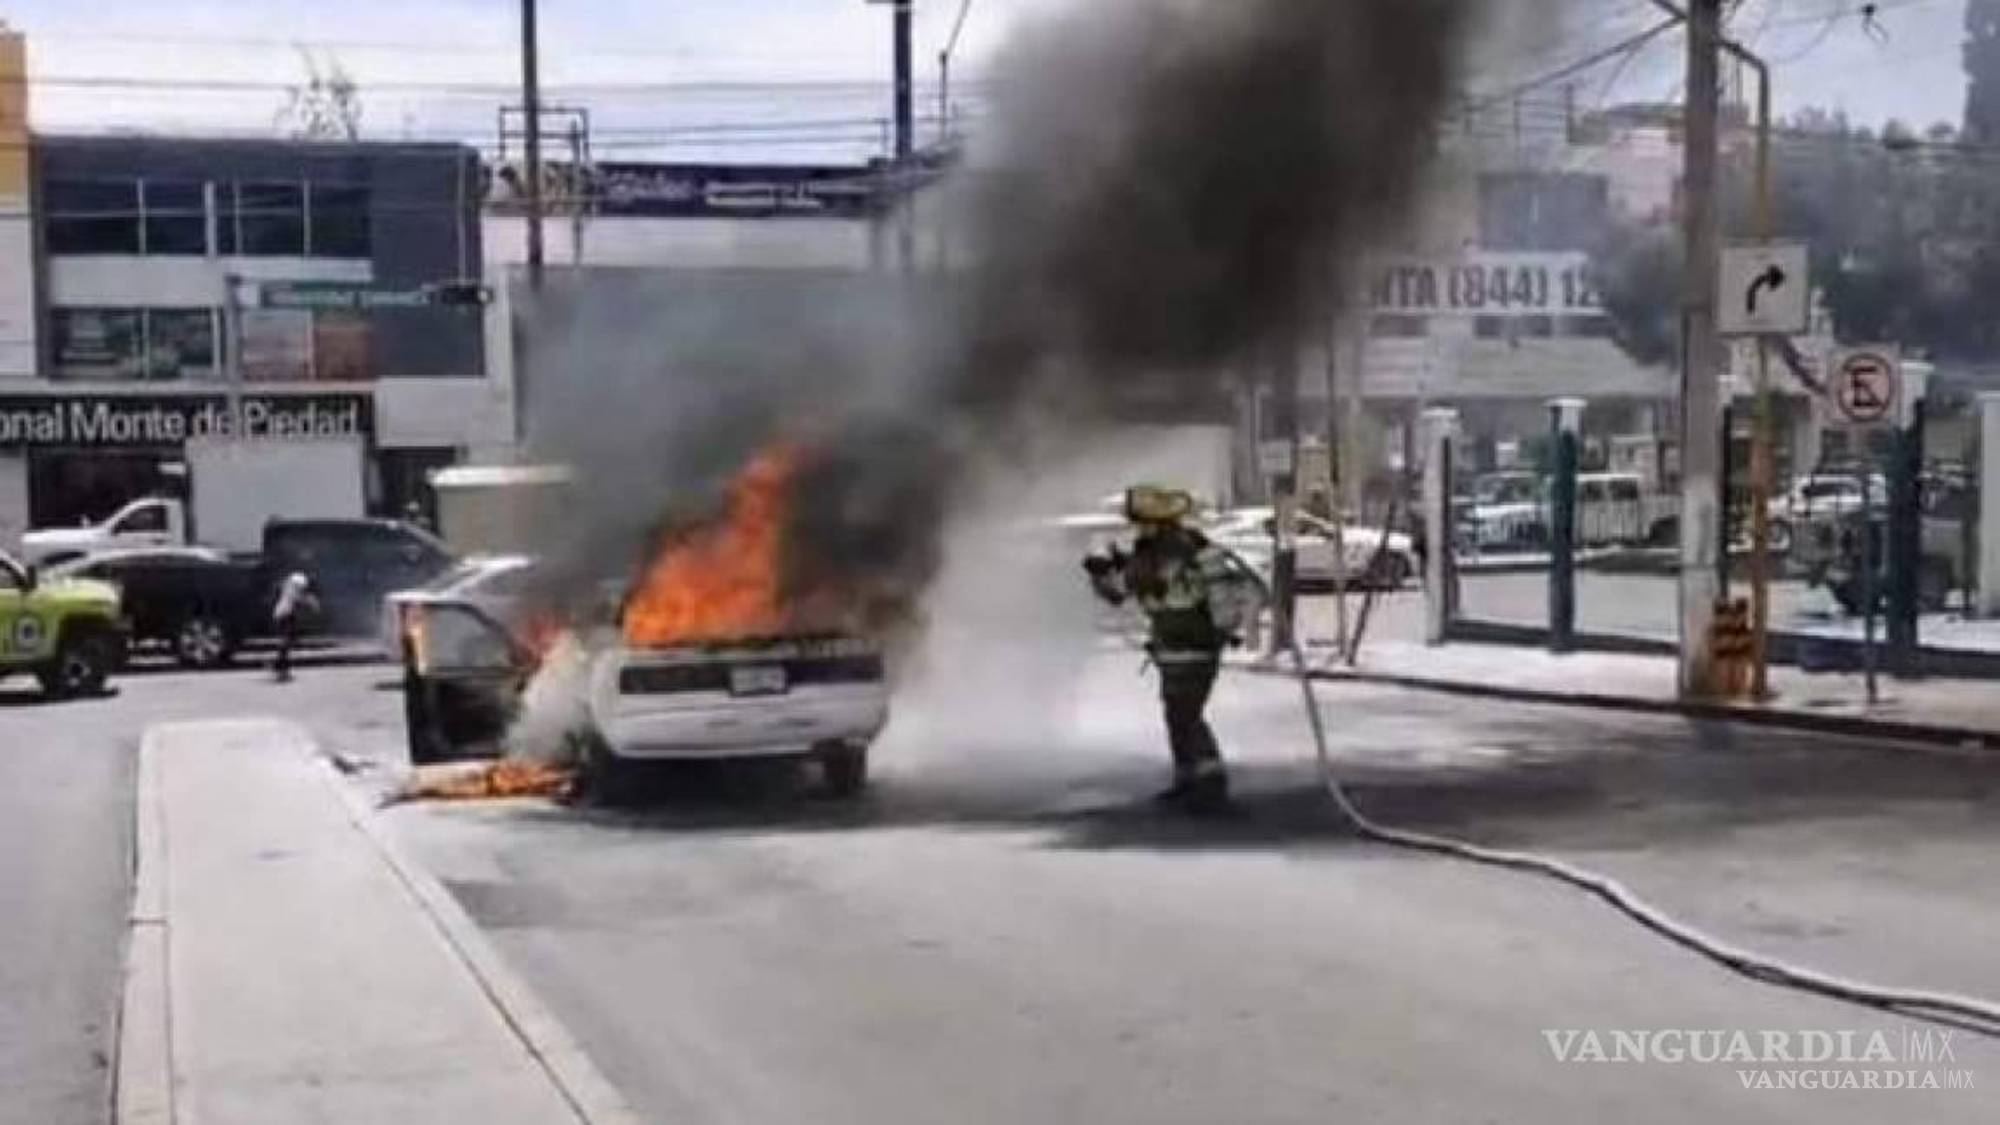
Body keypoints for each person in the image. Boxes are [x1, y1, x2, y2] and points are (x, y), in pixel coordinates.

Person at [1083, 485, 1264, 814]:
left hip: (1193, 646)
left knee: (1185, 714)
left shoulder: (1186, 555)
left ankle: (1210, 784)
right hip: (1174, 648)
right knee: (1177, 715)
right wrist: (1104, 574)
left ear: (1159, 523)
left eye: (1142, 524)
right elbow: (1123, 590)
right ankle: (1189, 782)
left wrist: (1110, 575)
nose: (1139, 530)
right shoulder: (1156, 554)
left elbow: (1133, 591)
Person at [270, 571, 316, 683]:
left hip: (283, 614)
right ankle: (280, 667)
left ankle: (280, 667)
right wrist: (310, 602)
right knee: (286, 641)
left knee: (287, 642)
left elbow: (299, 599)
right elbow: (299, 599)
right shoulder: (292, 590)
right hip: (286, 615)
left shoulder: (287, 588)